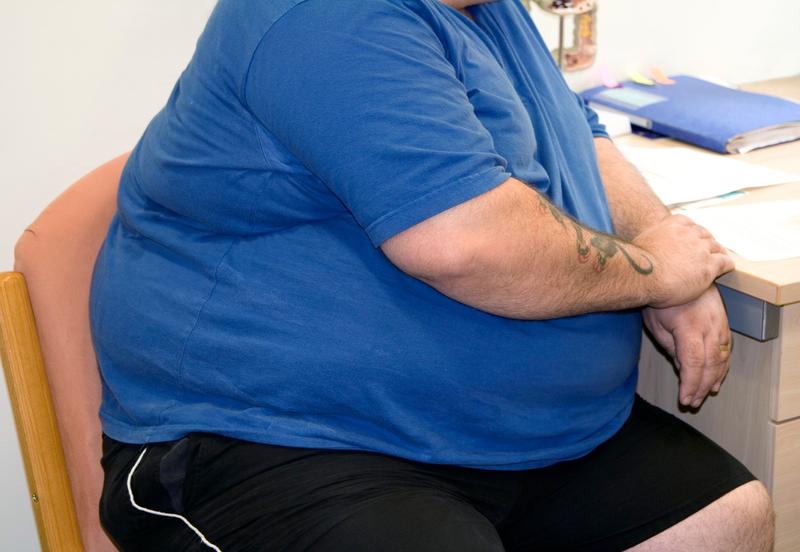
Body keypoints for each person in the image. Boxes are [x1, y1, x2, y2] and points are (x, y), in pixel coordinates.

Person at [77, 0, 773, 550]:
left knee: (729, 520)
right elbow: (466, 244)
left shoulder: (488, 10)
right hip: (284, 437)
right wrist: (655, 275)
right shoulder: (332, 16)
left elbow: (581, 137)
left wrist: (656, 241)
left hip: (512, 433)